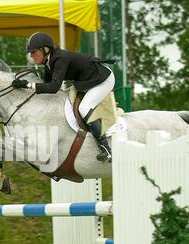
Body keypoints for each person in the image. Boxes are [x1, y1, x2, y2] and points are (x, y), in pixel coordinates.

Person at [11, 32, 115, 162]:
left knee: (84, 108)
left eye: (33, 52)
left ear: (45, 49)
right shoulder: (49, 62)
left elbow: (54, 87)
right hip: (87, 81)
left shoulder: (60, 58)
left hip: (103, 79)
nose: (31, 55)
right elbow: (46, 85)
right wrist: (26, 85)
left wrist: (27, 85)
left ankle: (105, 148)